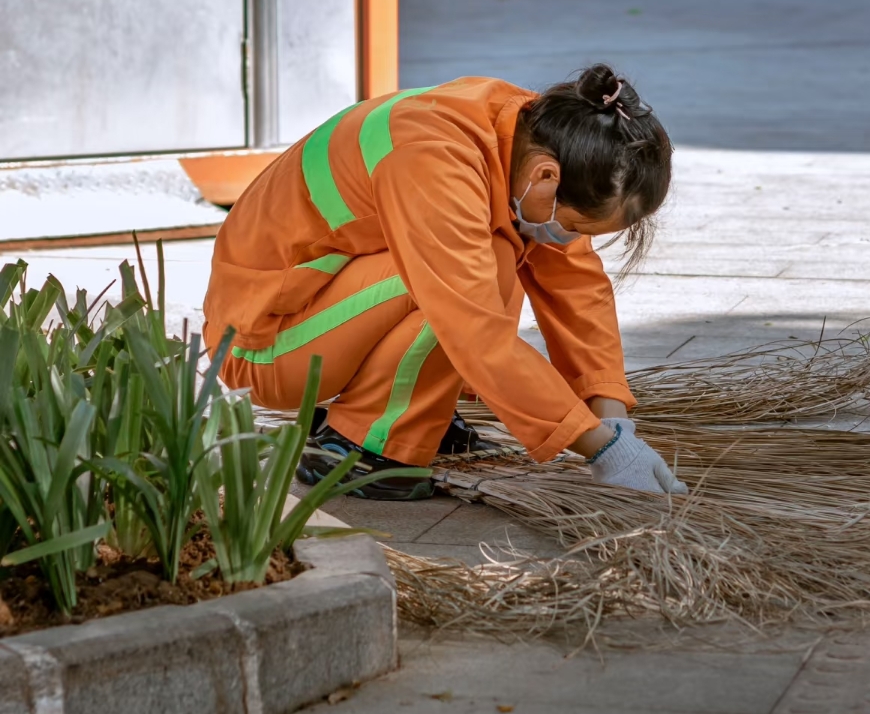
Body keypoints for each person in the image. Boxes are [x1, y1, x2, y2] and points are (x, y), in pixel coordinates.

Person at [202, 65, 687, 500]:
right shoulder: (433, 158)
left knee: (492, 252)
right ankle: (363, 445)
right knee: (470, 274)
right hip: (260, 346)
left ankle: (417, 409)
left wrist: (612, 413)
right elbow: (475, 333)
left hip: (314, 313)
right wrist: (602, 450)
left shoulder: (530, 129)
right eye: (577, 226)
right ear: (546, 177)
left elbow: (576, 283)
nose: (569, 239)